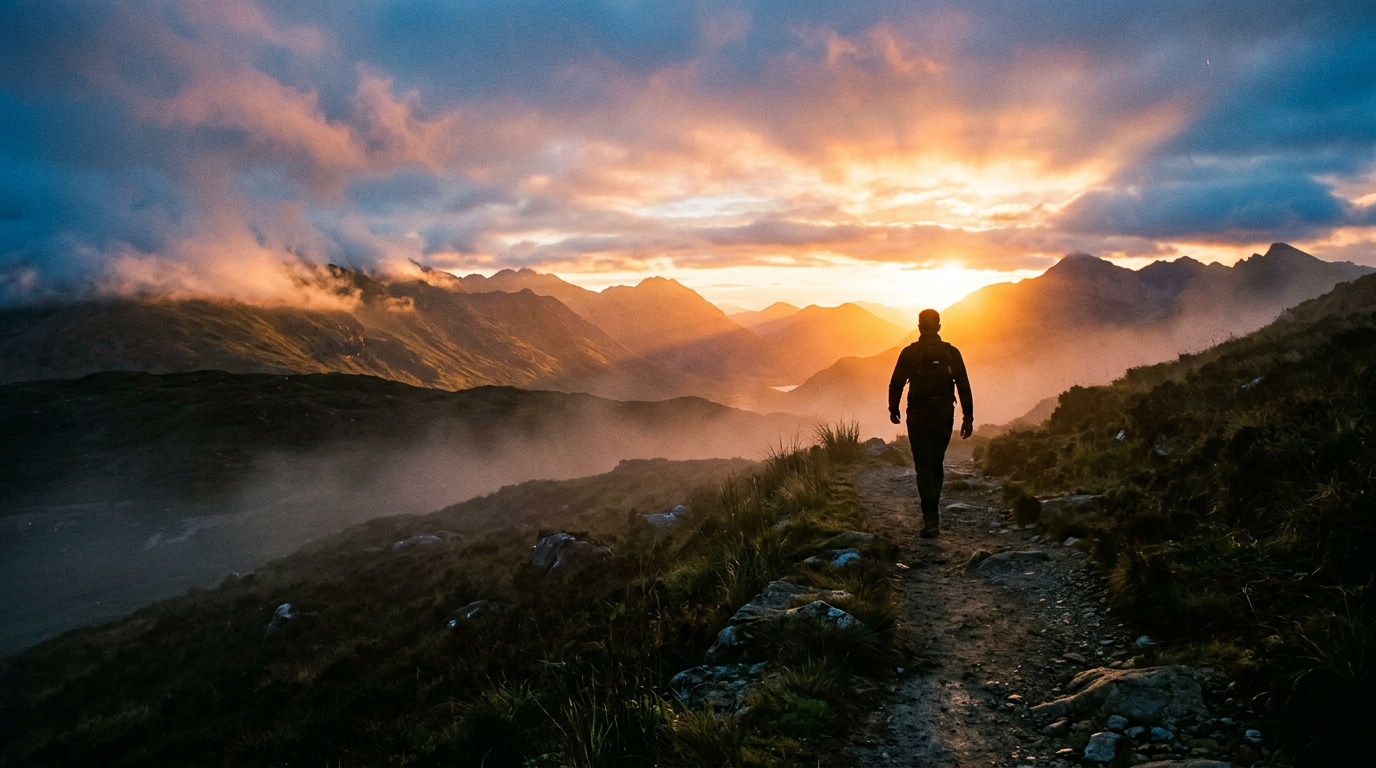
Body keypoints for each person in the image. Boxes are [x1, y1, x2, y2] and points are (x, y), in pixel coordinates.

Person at [887, 308, 973, 538]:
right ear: (939, 326)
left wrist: (893, 408)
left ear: (918, 327)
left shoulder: (910, 353)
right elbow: (964, 386)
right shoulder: (951, 352)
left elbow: (896, 384)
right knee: (936, 464)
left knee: (923, 466)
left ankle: (930, 520)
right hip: (944, 414)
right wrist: (968, 418)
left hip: (918, 415)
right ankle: (934, 516)